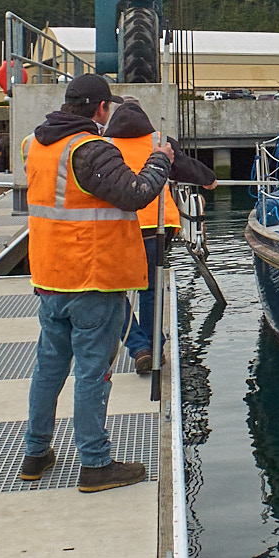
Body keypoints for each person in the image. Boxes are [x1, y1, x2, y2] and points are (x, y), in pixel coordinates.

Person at [19, 73, 174, 493]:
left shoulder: (34, 145)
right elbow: (138, 192)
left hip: (51, 278)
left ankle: (35, 454)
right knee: (92, 372)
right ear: (102, 109)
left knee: (48, 369)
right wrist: (160, 157)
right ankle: (95, 464)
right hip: (93, 278)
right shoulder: (90, 150)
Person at [103, 97, 218, 373]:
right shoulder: (160, 140)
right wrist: (209, 179)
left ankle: (137, 345)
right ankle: (154, 347)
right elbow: (185, 166)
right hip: (158, 226)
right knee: (151, 288)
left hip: (120, 225)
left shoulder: (104, 145)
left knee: (112, 292)